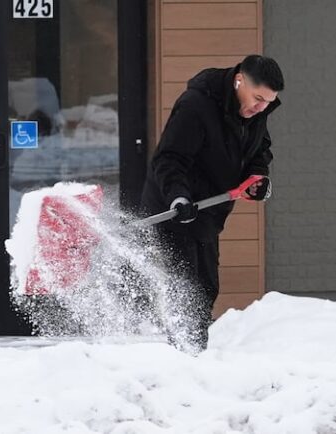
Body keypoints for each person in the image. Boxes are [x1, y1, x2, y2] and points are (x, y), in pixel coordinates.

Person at [140, 54, 284, 352]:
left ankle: (193, 354)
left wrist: (256, 177)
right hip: (173, 210)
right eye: (258, 99)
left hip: (208, 211)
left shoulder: (255, 112)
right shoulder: (197, 106)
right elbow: (169, 159)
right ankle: (180, 355)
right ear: (239, 81)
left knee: (205, 286)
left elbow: (260, 149)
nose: (261, 108)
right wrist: (178, 197)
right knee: (185, 288)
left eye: (268, 102)